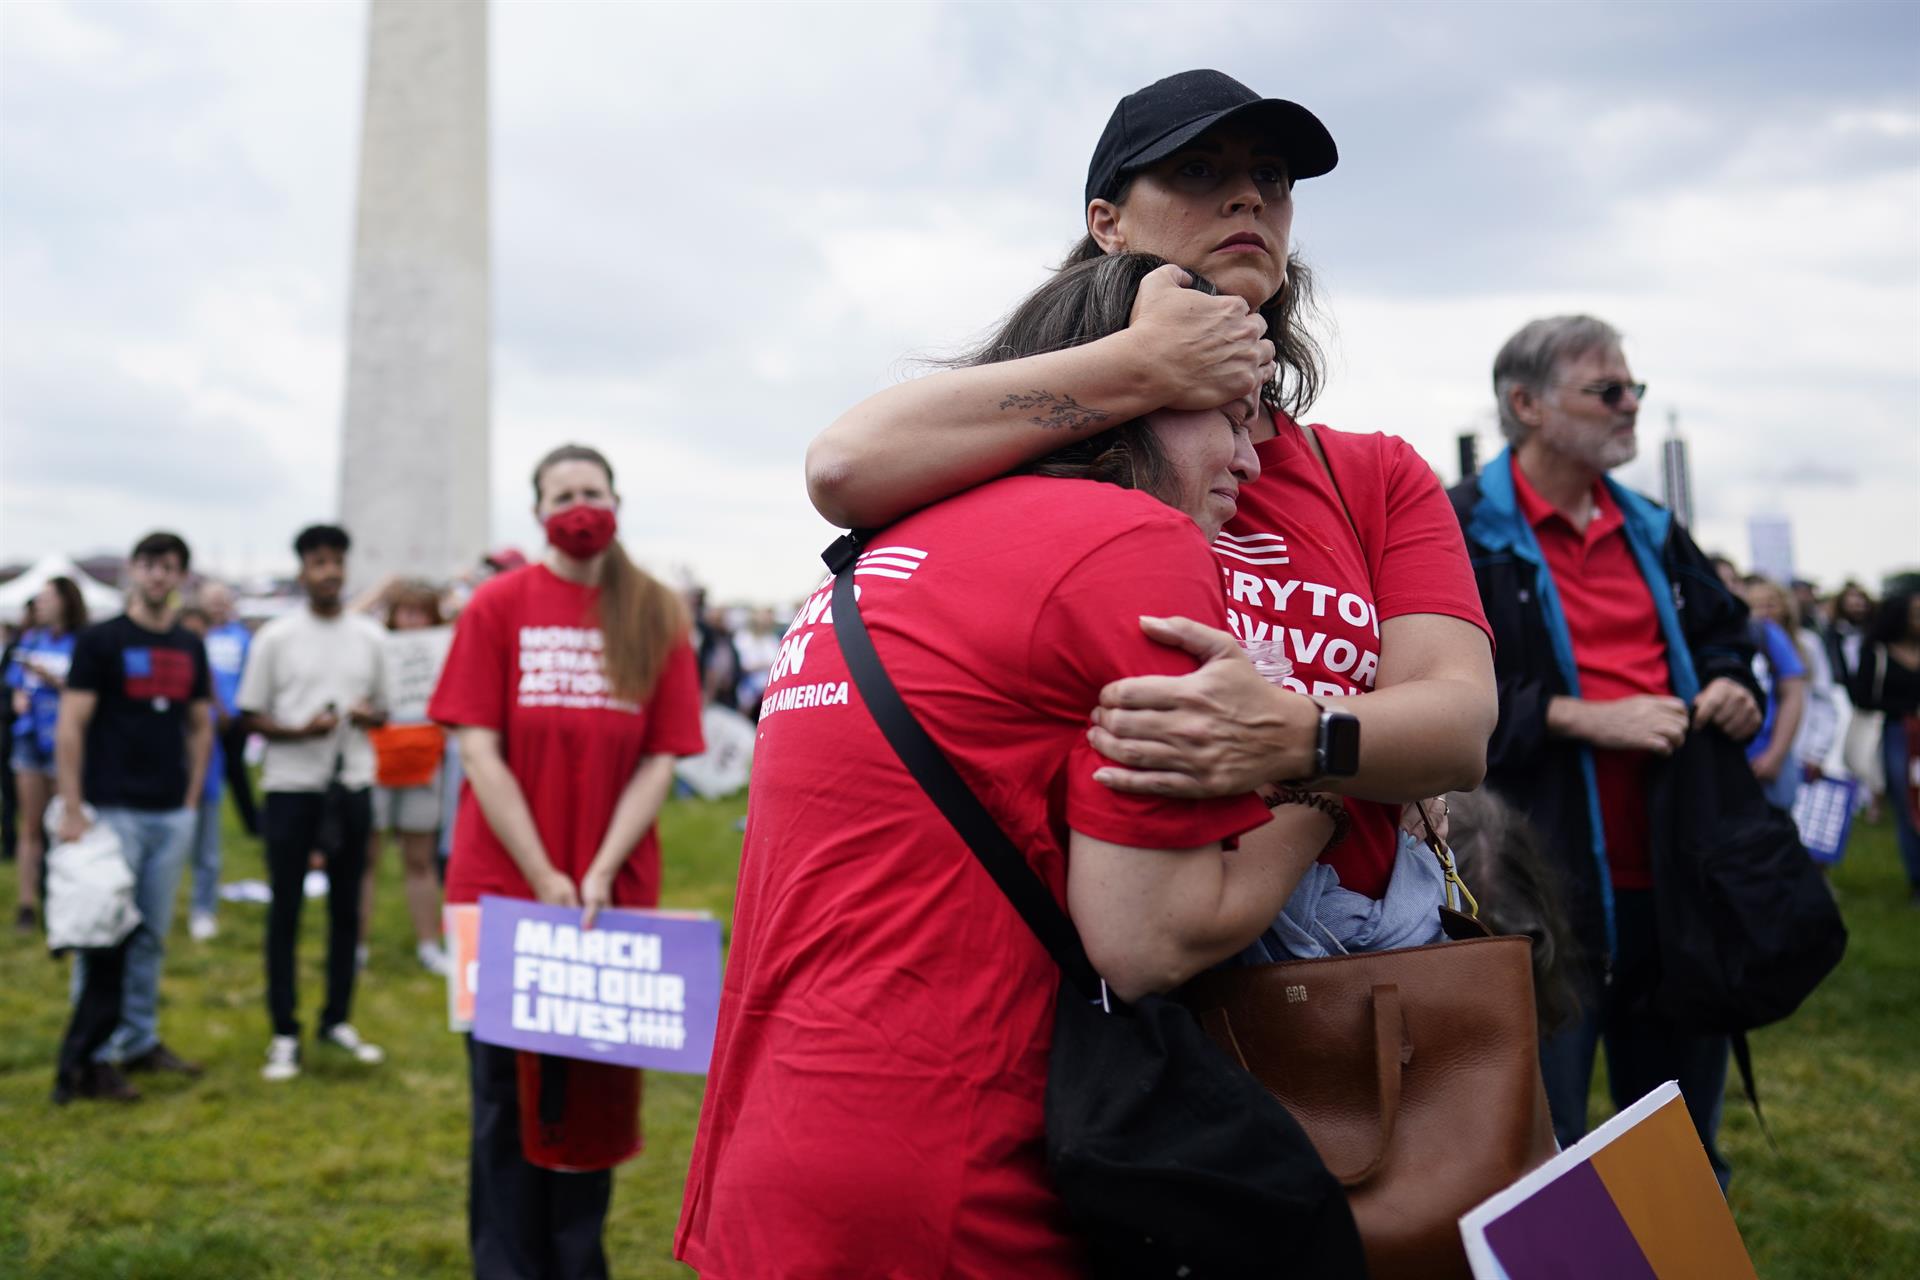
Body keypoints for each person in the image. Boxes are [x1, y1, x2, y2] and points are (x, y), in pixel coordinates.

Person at [679, 252, 1353, 1277]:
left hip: (765, 1150)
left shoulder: (889, 544)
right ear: (1133, 389)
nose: (1250, 458)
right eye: (1230, 409)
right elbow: (1147, 938)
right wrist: (1327, 775)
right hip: (956, 1177)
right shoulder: (1131, 538)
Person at [804, 69, 1495, 923]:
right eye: (1200, 172)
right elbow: (844, 468)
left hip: (1338, 989)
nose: (1248, 197)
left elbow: (1458, 724)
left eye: (1271, 180)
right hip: (1086, 954)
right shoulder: (1030, 434)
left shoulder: (1373, 474)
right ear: (1107, 222)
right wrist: (1143, 367)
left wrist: (1291, 737)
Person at [1449, 314, 1761, 1189]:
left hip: (1673, 882)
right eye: (1608, 390)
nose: (1631, 407)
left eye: (1636, 389)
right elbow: (1435, 695)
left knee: (1675, 1157)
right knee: (1541, 1162)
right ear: (1526, 405)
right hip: (1532, 889)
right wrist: (1582, 718)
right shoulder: (1461, 529)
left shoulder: (1653, 528)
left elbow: (1728, 635)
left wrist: (1737, 684)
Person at [430, 443, 705, 1280]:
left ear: (616, 500)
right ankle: (505, 1265)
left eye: (592, 491)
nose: (579, 506)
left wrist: (595, 871)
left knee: (592, 1093)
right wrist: (544, 871)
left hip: (607, 893)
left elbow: (662, 757)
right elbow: (478, 750)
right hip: (502, 887)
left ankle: (577, 1261)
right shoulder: (498, 606)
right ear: (538, 510)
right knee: (501, 1098)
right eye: (562, 494)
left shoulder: (654, 611)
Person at [55, 531, 215, 1099]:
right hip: (111, 809)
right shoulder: (102, 641)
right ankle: (90, 1054)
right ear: (132, 570)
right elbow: (71, 724)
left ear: (180, 578)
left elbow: (202, 724)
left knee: (149, 934)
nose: (158, 576)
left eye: (170, 567)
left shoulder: (189, 646)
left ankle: (138, 1041)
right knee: (102, 936)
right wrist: (73, 807)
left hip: (170, 811)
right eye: (150, 565)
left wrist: (193, 795)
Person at [237, 524, 389, 1081]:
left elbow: (386, 709)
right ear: (302, 569)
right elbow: (248, 713)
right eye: (318, 562)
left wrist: (368, 717)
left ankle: (337, 1018)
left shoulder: (370, 638)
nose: (328, 572)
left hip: (351, 783)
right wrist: (299, 730)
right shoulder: (276, 638)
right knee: (286, 910)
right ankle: (283, 1029)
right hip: (290, 787)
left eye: (336, 562)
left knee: (348, 908)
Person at [361, 579, 454, 975]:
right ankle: (357, 944)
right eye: (405, 612)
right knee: (367, 857)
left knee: (420, 857)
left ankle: (428, 944)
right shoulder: (372, 645)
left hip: (423, 761)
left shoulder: (444, 646)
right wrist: (381, 588)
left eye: (421, 613)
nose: (413, 621)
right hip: (376, 759)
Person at [7, 577, 87, 934]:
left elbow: (84, 690)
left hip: (63, 741)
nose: (39, 605)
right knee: (30, 824)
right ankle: (27, 904)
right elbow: (15, 683)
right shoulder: (31, 640)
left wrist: (51, 678)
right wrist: (18, 698)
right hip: (29, 740)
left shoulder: (82, 644)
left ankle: (62, 900)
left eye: (46, 598)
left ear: (65, 602)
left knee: (62, 825)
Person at [177, 588, 247, 940]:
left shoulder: (211, 673)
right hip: (168, 774)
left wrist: (210, 689)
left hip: (207, 772)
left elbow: (225, 721)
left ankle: (203, 909)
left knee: (207, 848)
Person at [1850, 589, 1920, 902]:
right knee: (1909, 807)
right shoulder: (1876, 651)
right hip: (1897, 734)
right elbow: (1862, 696)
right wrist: (1905, 709)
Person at [1735, 574, 1809, 813]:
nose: (1763, 611)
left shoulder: (1768, 633)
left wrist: (1775, 755)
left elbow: (1794, 693)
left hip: (1767, 752)